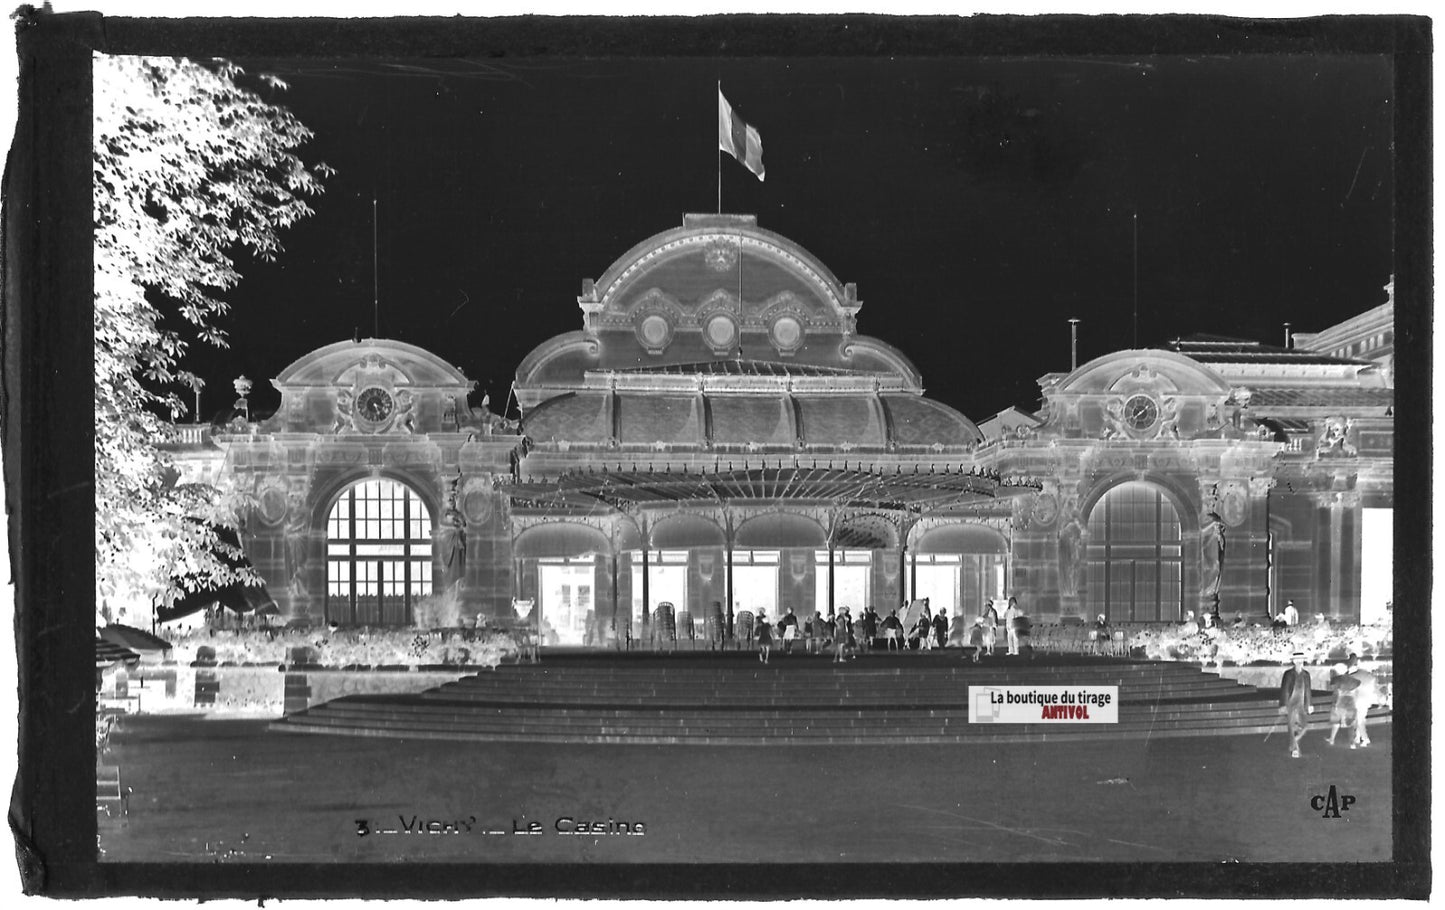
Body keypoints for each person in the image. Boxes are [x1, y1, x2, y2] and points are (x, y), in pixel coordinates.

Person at [1278, 650, 1313, 758]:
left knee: (1304, 726)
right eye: (1297, 660)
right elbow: (1284, 690)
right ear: (1293, 661)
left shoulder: (1306, 674)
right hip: (1291, 703)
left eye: (1301, 660)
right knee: (1292, 726)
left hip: (1301, 703)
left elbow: (1308, 690)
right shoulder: (1288, 674)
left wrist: (1309, 704)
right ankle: (1295, 749)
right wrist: (1283, 705)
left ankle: (1294, 741)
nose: (1299, 662)